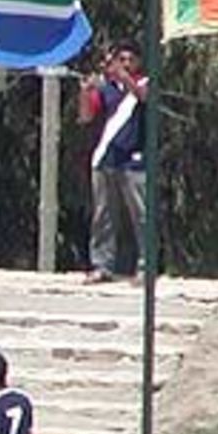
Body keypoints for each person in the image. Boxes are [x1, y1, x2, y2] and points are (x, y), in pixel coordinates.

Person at [78, 38, 149, 284]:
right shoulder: (106, 89)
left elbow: (143, 96)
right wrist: (86, 92)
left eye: (130, 60)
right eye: (121, 60)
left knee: (141, 216)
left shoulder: (143, 82)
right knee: (103, 215)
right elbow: (86, 117)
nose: (126, 64)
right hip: (105, 159)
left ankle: (145, 267)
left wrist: (123, 77)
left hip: (134, 161)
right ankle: (101, 264)